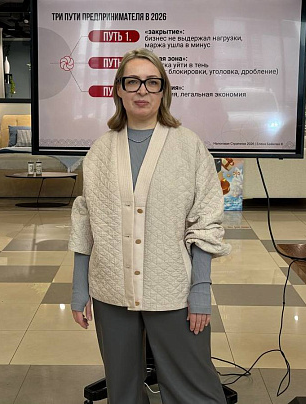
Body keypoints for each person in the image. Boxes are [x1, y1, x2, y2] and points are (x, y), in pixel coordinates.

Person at [69, 48, 231, 404]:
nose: (142, 90)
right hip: (111, 288)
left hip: (173, 289)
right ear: (119, 89)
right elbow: (86, 220)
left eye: (152, 82)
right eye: (133, 82)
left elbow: (206, 220)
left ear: (163, 91)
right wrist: (80, 287)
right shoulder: (100, 150)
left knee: (195, 390)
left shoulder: (188, 147)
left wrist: (200, 289)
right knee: (122, 390)